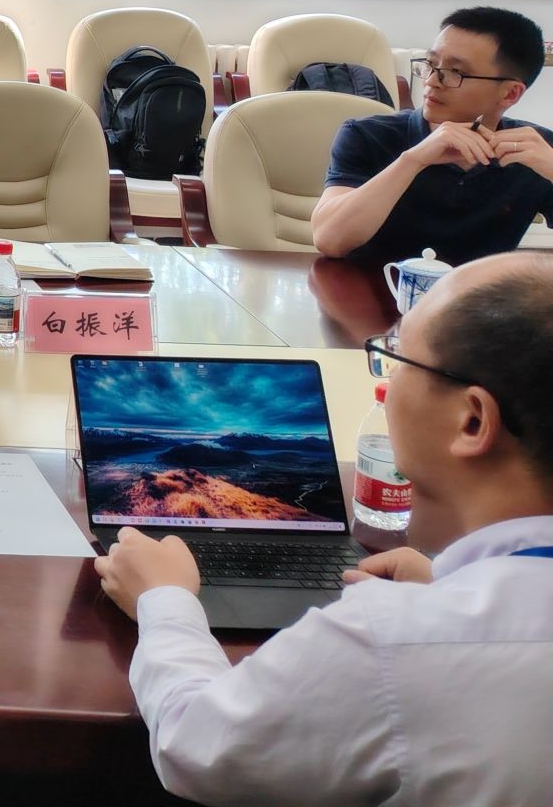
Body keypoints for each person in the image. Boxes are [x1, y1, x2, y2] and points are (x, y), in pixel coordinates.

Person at [94, 250, 553, 806]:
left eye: (396, 360)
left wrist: (164, 600)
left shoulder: (390, 640)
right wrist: (449, 590)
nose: (387, 384)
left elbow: (196, 743)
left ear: (472, 420)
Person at [312, 7, 553, 264]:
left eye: (456, 72)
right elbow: (329, 240)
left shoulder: (535, 150)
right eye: (431, 64)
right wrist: (413, 160)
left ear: (510, 93)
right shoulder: (368, 134)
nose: (431, 81)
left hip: (477, 290)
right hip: (369, 287)